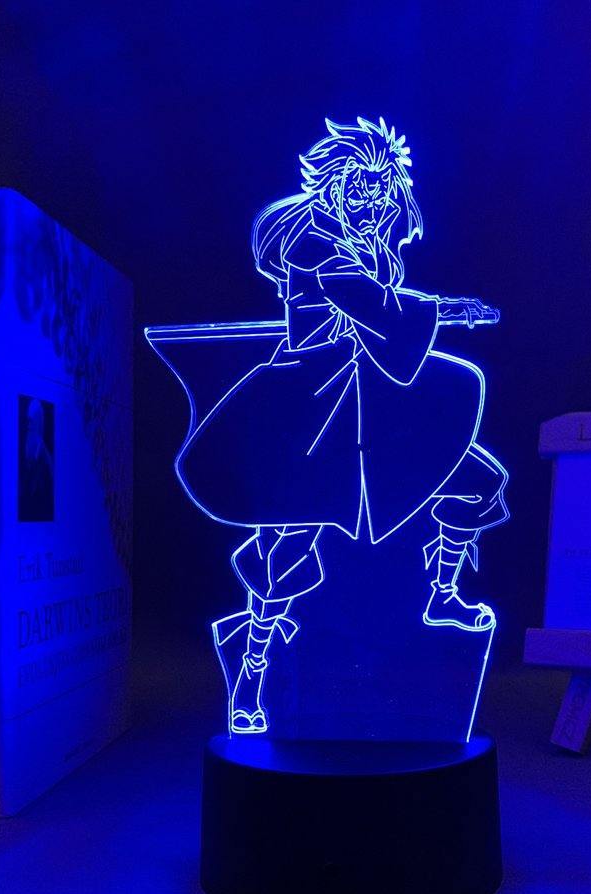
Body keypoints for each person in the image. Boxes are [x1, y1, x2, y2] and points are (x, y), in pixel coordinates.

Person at [179, 117, 508, 733]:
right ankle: (253, 670)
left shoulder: (370, 242)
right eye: (358, 186)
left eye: (380, 190)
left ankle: (442, 595)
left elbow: (385, 324)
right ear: (332, 184)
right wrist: (447, 308)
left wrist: (429, 307)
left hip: (377, 399)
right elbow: (376, 309)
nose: (370, 200)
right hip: (311, 403)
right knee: (288, 543)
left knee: (478, 481)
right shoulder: (311, 242)